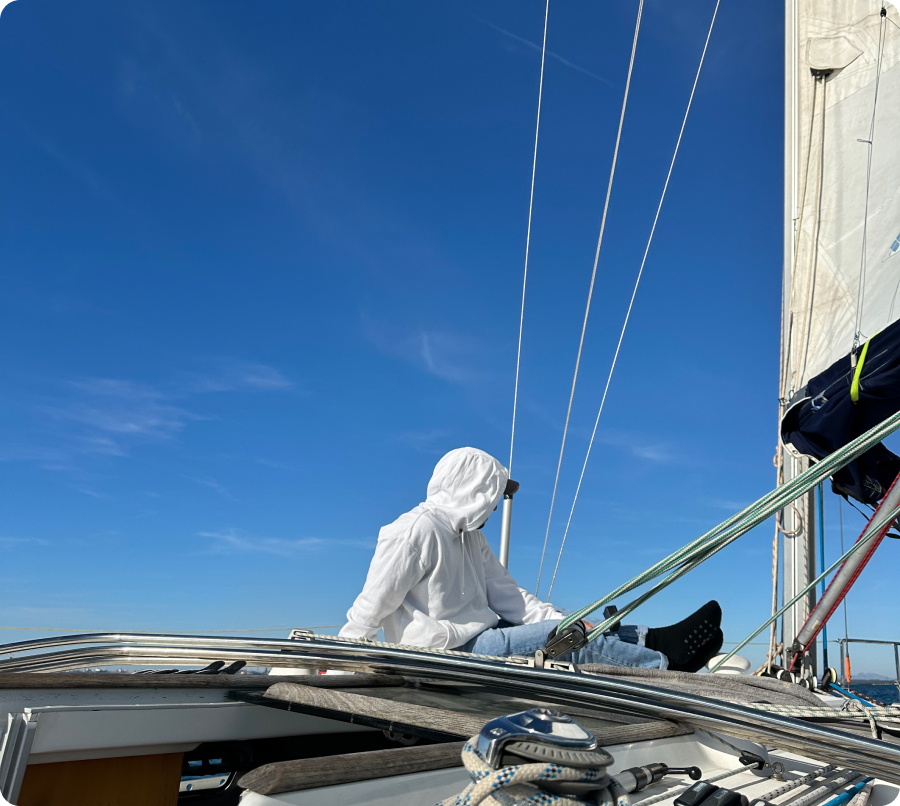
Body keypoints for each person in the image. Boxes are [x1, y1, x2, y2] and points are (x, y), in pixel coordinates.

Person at [339, 447, 723, 671]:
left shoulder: (471, 538)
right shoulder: (414, 531)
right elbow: (374, 603)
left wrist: (567, 619)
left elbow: (513, 599)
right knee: (555, 638)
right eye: (492, 494)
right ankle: (662, 665)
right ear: (473, 491)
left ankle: (651, 638)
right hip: (443, 653)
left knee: (564, 625)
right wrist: (344, 657)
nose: (494, 503)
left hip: (479, 636)